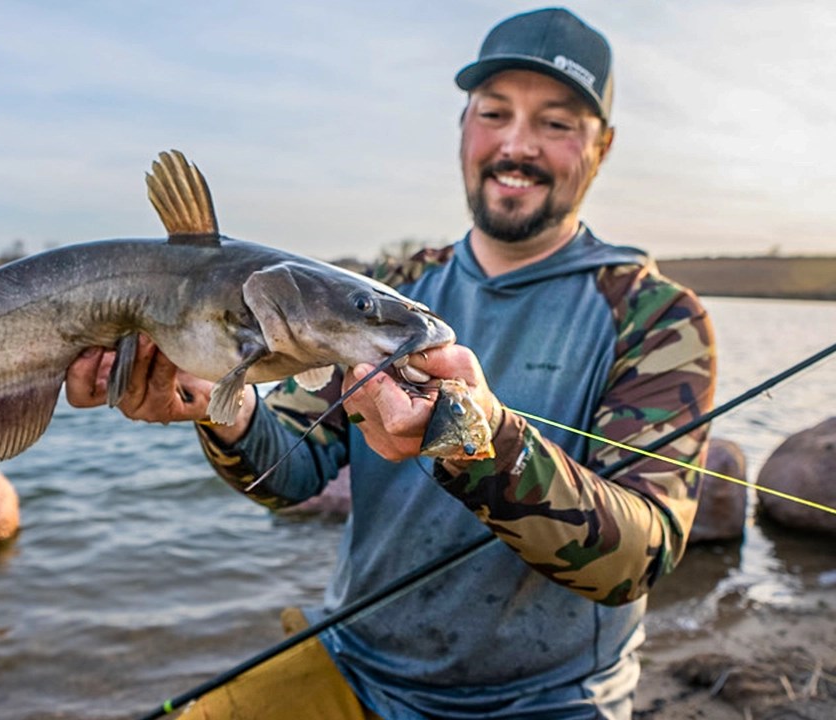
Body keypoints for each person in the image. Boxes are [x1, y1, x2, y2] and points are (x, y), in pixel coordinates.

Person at [67, 7, 716, 719]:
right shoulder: (388, 288)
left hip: (547, 703)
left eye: (556, 123)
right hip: (353, 666)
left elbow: (639, 558)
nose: (517, 144)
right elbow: (292, 472)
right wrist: (226, 411)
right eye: (495, 113)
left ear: (603, 146)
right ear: (464, 125)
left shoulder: (655, 316)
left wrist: (482, 444)